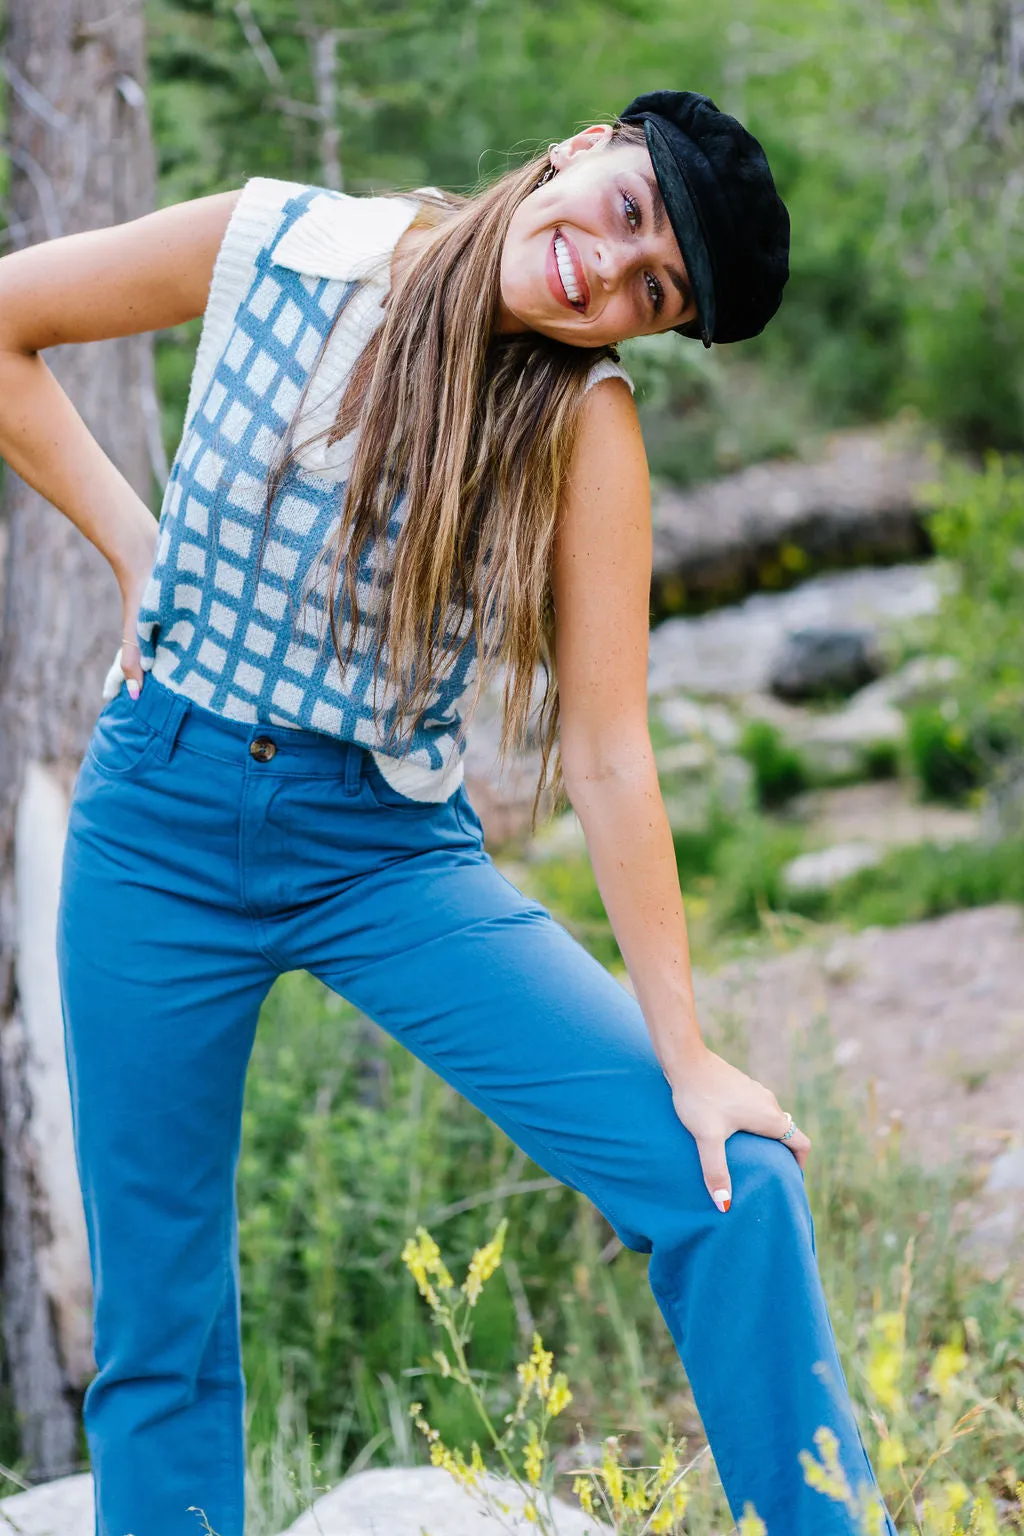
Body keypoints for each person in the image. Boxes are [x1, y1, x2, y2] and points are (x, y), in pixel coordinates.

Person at [0, 88, 898, 1536]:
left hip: (383, 855)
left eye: (651, 292)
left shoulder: (584, 429)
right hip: (156, 830)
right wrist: (132, 545)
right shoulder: (271, 243)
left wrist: (690, 1055)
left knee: (732, 1185)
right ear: (582, 147)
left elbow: (608, 752)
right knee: (158, 1339)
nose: (607, 274)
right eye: (627, 213)